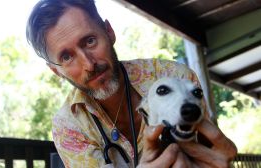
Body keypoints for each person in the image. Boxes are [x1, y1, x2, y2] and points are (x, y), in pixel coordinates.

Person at [26, 0, 237, 167]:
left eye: (90, 41)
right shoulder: (68, 126)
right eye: (66, 57)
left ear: (109, 32)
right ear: (56, 71)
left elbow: (208, 152)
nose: (89, 65)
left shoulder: (174, 77)